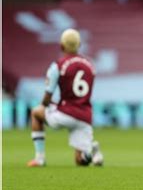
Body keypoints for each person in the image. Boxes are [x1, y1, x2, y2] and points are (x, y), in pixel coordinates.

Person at [28, 29, 103, 167]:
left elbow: (47, 97)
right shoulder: (90, 65)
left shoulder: (57, 66)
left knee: (36, 113)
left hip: (65, 114)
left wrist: (48, 105)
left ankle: (39, 158)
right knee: (80, 162)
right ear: (79, 45)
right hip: (84, 117)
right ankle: (93, 152)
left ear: (61, 46)